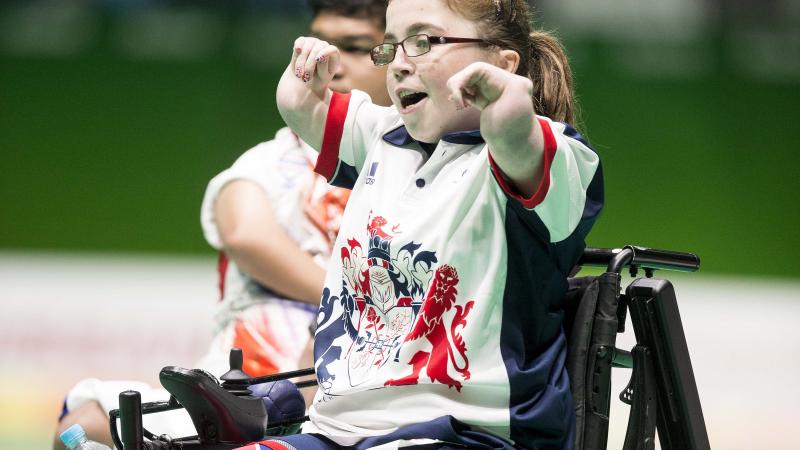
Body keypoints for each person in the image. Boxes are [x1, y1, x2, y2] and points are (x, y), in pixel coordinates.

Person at [243, 0, 604, 449]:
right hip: (336, 434)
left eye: (422, 41)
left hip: (469, 436)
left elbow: (520, 143)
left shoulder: (557, 155)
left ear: (502, 61)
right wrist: (299, 88)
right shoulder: (384, 136)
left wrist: (511, 114)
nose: (397, 64)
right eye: (390, 46)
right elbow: (305, 109)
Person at [52, 1, 391, 448]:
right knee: (85, 425)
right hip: (244, 385)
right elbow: (246, 235)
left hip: (370, 388)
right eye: (319, 45)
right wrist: (353, 299)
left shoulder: (419, 163)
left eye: (355, 47)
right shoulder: (274, 161)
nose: (329, 61)